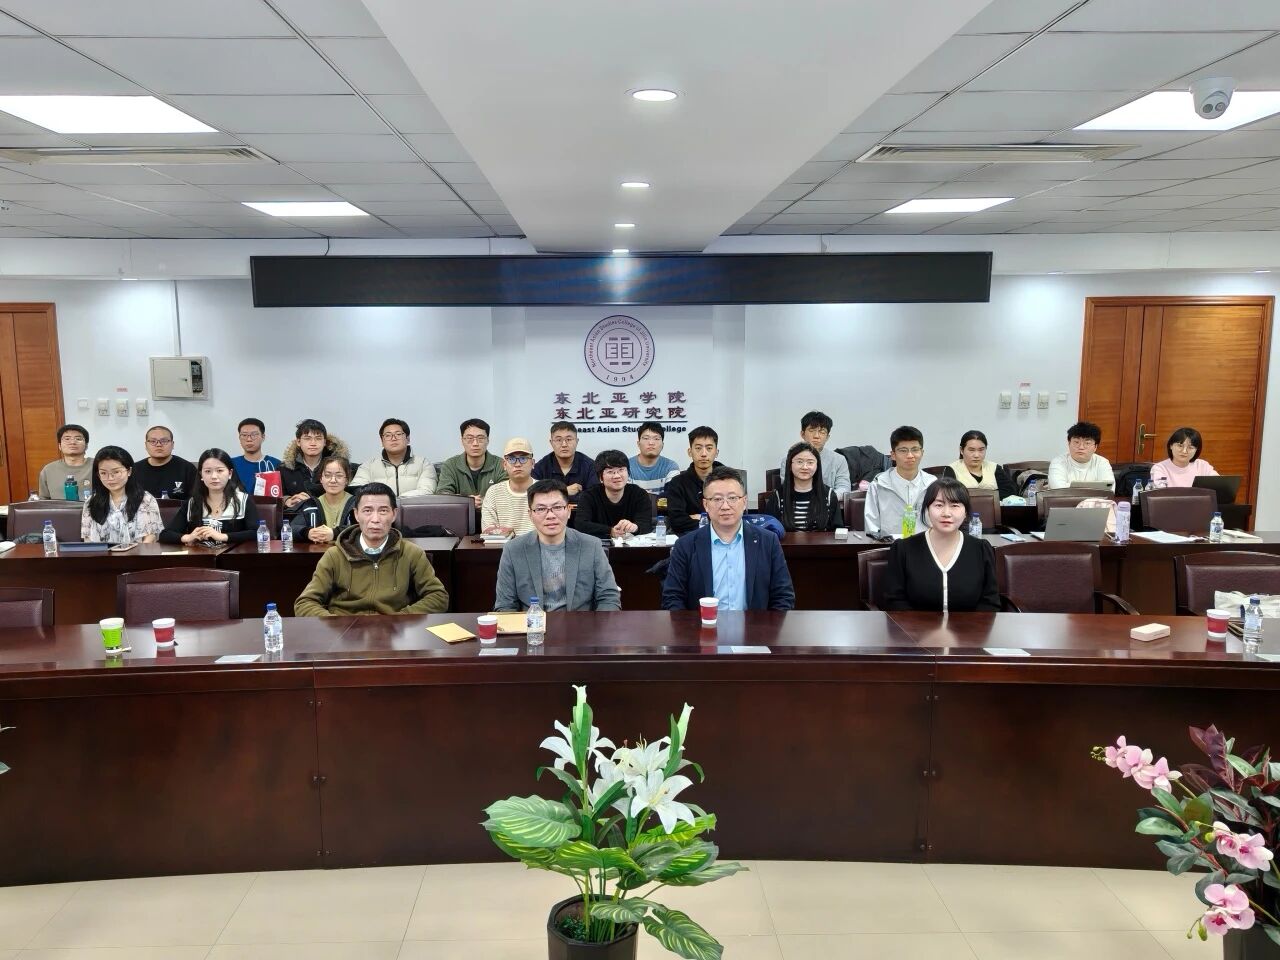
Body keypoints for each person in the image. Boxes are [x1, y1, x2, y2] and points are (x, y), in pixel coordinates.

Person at [295, 483, 449, 616]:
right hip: (346, 632)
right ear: (356, 514)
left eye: (383, 511)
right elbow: (305, 603)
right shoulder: (335, 555)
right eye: (367, 511)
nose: (375, 519)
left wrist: (401, 619)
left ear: (394, 514)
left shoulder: (411, 553)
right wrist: (337, 624)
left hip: (394, 631)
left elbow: (438, 596)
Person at [661, 467, 795, 611]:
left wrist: (766, 625)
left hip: (755, 625)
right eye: (717, 499)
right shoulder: (685, 545)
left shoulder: (768, 541)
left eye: (732, 498)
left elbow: (783, 596)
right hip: (701, 624)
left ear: (744, 502)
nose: (725, 506)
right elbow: (672, 598)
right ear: (706, 505)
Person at [494, 479, 622, 612]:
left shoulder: (592, 546)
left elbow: (608, 597)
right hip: (532, 623)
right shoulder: (513, 550)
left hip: (580, 623)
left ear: (569, 511)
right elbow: (505, 604)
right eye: (541, 509)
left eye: (557, 507)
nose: (550, 515)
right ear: (530, 515)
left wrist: (599, 624)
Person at [883, 478, 1000, 612]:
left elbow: (990, 602)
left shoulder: (980, 549)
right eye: (939, 505)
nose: (946, 513)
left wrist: (970, 625)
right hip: (915, 625)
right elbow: (894, 601)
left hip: (970, 625)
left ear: (966, 512)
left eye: (955, 505)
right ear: (927, 509)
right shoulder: (903, 549)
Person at [159, 448, 261, 545]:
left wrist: (223, 536)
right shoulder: (192, 503)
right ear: (201, 475)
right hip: (201, 556)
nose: (214, 476)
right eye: (208, 471)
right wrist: (188, 537)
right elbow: (165, 535)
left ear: (230, 473)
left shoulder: (243, 500)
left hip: (235, 556)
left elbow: (257, 532)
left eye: (219, 471)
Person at [80, 445, 162, 544]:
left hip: (139, 553)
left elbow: (150, 538)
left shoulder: (145, 499)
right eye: (103, 473)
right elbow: (87, 540)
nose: (110, 478)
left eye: (116, 472)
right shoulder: (91, 502)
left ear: (129, 471)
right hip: (101, 554)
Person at [865, 426, 930, 537]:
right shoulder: (879, 484)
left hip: (924, 544)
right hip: (888, 544)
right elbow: (872, 528)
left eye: (915, 450)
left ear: (922, 452)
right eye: (903, 450)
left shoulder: (932, 484)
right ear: (893, 455)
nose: (910, 455)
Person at [574, 450, 654, 539]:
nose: (617, 476)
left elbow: (646, 524)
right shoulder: (589, 496)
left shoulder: (639, 494)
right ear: (600, 477)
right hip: (599, 544)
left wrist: (634, 527)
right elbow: (580, 524)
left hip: (632, 545)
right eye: (610, 472)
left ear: (628, 472)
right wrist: (610, 531)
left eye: (621, 470)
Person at [764, 441, 840, 532]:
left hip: (821, 542)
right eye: (799, 462)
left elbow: (838, 531)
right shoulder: (777, 496)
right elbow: (768, 532)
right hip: (786, 542)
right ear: (790, 465)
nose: (805, 467)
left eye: (810, 462)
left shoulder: (829, 495)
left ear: (817, 466)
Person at [352, 417, 437, 497]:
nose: (393, 438)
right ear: (382, 441)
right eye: (388, 435)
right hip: (379, 507)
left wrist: (395, 500)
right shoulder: (368, 466)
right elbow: (356, 490)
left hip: (412, 507)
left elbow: (427, 490)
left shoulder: (423, 464)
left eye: (398, 434)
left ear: (408, 439)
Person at [665, 426, 726, 535]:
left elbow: (733, 516)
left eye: (709, 448)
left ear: (716, 452)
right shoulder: (677, 483)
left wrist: (701, 518)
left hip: (724, 536)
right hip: (689, 537)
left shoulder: (728, 481)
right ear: (690, 452)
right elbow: (677, 521)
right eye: (698, 448)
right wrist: (713, 520)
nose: (704, 454)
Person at [281, 419, 350, 510]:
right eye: (307, 438)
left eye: (318, 438)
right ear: (298, 442)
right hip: (296, 516)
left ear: (325, 442)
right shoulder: (284, 468)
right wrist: (287, 500)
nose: (313, 443)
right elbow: (275, 497)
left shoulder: (340, 467)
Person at [778, 412, 851, 498]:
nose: (816, 436)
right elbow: (788, 488)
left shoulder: (839, 460)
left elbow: (844, 488)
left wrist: (826, 500)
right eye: (812, 430)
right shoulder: (789, 460)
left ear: (827, 437)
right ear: (802, 434)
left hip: (828, 504)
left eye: (822, 432)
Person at [436, 418, 504, 508]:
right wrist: (466, 501)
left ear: (488, 440)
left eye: (480, 438)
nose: (475, 443)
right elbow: (443, 495)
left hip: (492, 514)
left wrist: (485, 501)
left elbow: (506, 494)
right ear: (462, 441)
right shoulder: (450, 465)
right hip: (460, 514)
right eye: (469, 438)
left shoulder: (501, 464)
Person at [289, 456, 357, 543]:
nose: (333, 480)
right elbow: (291, 529)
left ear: (347, 480)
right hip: (316, 550)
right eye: (328, 475)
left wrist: (334, 533)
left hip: (347, 551)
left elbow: (363, 528)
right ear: (321, 479)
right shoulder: (311, 504)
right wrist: (307, 533)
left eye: (339, 476)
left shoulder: (357, 503)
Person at [481, 438, 538, 536]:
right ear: (504, 464)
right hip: (502, 545)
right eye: (511, 459)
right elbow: (489, 533)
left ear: (533, 463)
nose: (518, 464)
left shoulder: (545, 491)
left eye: (523, 458)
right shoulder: (493, 493)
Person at [532, 421, 597, 503]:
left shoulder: (590, 466)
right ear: (551, 443)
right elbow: (533, 497)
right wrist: (564, 491)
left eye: (569, 439)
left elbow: (593, 498)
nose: (564, 444)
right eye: (559, 440)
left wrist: (551, 494)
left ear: (577, 441)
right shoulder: (540, 467)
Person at [940, 430, 1016, 499]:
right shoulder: (952, 469)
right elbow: (949, 495)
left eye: (981, 450)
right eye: (971, 450)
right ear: (961, 450)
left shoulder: (994, 468)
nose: (976, 455)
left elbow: (1010, 492)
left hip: (993, 509)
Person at [133, 425, 198, 501]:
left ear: (172, 444)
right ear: (146, 445)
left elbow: (195, 500)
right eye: (153, 441)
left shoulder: (187, 469)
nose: (158, 445)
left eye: (164, 441)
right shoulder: (134, 469)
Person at [1047, 421, 1114, 490]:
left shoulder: (1102, 462)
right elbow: (1058, 490)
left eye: (1087, 443)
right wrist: (1095, 489)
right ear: (1069, 444)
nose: (1081, 447)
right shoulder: (1058, 462)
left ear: (1095, 447)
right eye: (1076, 442)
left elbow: (1110, 489)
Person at [37, 423, 91, 500]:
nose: (72, 442)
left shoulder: (97, 466)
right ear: (59, 446)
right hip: (58, 508)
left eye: (78, 439)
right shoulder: (48, 470)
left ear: (86, 445)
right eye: (67, 439)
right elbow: (43, 500)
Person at [1149, 427, 1218, 487]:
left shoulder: (1202, 466)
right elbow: (1160, 494)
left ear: (1196, 450)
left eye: (1190, 447)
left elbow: (1219, 484)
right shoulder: (1160, 468)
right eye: (1180, 446)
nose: (1184, 451)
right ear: (1171, 446)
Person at [628, 421, 681, 494]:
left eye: (656, 439)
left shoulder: (671, 467)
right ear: (638, 443)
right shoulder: (627, 466)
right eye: (646, 438)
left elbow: (671, 497)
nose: (651, 443)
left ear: (662, 445)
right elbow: (626, 497)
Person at [230, 417, 282, 492]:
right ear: (239, 438)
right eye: (244, 435)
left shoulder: (275, 464)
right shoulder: (230, 464)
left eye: (254, 435)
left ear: (263, 437)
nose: (249, 439)